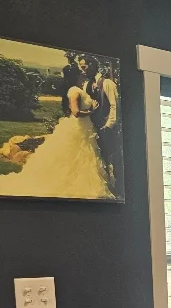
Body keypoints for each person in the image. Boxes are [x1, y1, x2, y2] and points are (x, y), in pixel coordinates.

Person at [0, 64, 113, 199]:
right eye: (80, 71)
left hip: (86, 127)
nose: (83, 73)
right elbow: (76, 112)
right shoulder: (74, 91)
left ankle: (75, 180)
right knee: (76, 154)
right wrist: (92, 111)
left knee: (82, 155)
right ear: (76, 75)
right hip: (79, 127)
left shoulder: (79, 88)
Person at [78, 54, 122, 197]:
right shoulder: (86, 85)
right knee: (97, 158)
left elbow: (115, 106)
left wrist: (108, 125)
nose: (82, 70)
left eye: (84, 67)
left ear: (91, 65)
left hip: (106, 127)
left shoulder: (108, 83)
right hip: (93, 127)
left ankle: (117, 188)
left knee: (111, 158)